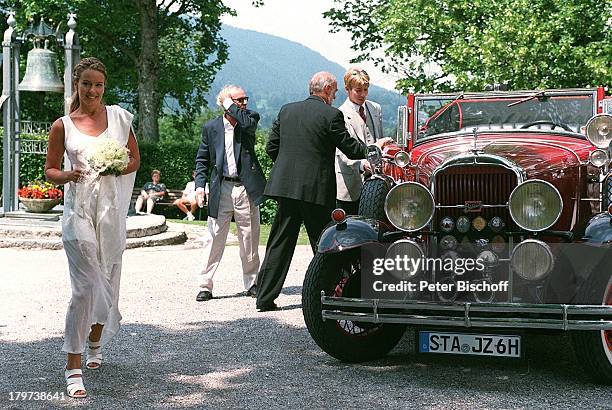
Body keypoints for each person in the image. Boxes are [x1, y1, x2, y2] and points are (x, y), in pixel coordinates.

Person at [44, 57, 140, 398]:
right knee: (86, 286)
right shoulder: (63, 126)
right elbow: (50, 169)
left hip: (110, 213)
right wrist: (69, 175)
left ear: (104, 86)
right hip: (78, 214)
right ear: (77, 85)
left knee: (108, 282)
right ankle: (73, 365)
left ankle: (96, 338)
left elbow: (134, 159)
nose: (93, 90)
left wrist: (117, 166)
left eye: (98, 84)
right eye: (86, 83)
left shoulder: (118, 119)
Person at [255, 71, 390, 312]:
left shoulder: (287, 110)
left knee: (279, 242)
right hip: (315, 189)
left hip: (286, 188)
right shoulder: (331, 114)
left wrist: (290, 169)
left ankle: (264, 298)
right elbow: (350, 149)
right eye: (335, 90)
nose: (336, 95)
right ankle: (332, 293)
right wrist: (375, 148)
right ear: (327, 90)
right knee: (324, 243)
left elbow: (271, 147)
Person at [194, 84, 266, 302]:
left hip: (246, 187)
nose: (244, 103)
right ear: (226, 104)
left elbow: (245, 122)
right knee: (214, 237)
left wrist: (230, 103)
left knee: (249, 237)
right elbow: (202, 159)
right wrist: (199, 186)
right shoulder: (211, 127)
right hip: (221, 188)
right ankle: (205, 285)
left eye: (245, 99)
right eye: (239, 100)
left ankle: (252, 282)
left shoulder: (249, 119)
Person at [336, 67, 384, 215]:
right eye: (358, 90)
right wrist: (362, 164)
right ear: (347, 89)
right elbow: (341, 154)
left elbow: (378, 139)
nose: (363, 94)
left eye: (365, 90)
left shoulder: (375, 108)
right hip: (350, 185)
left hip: (375, 183)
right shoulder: (340, 114)